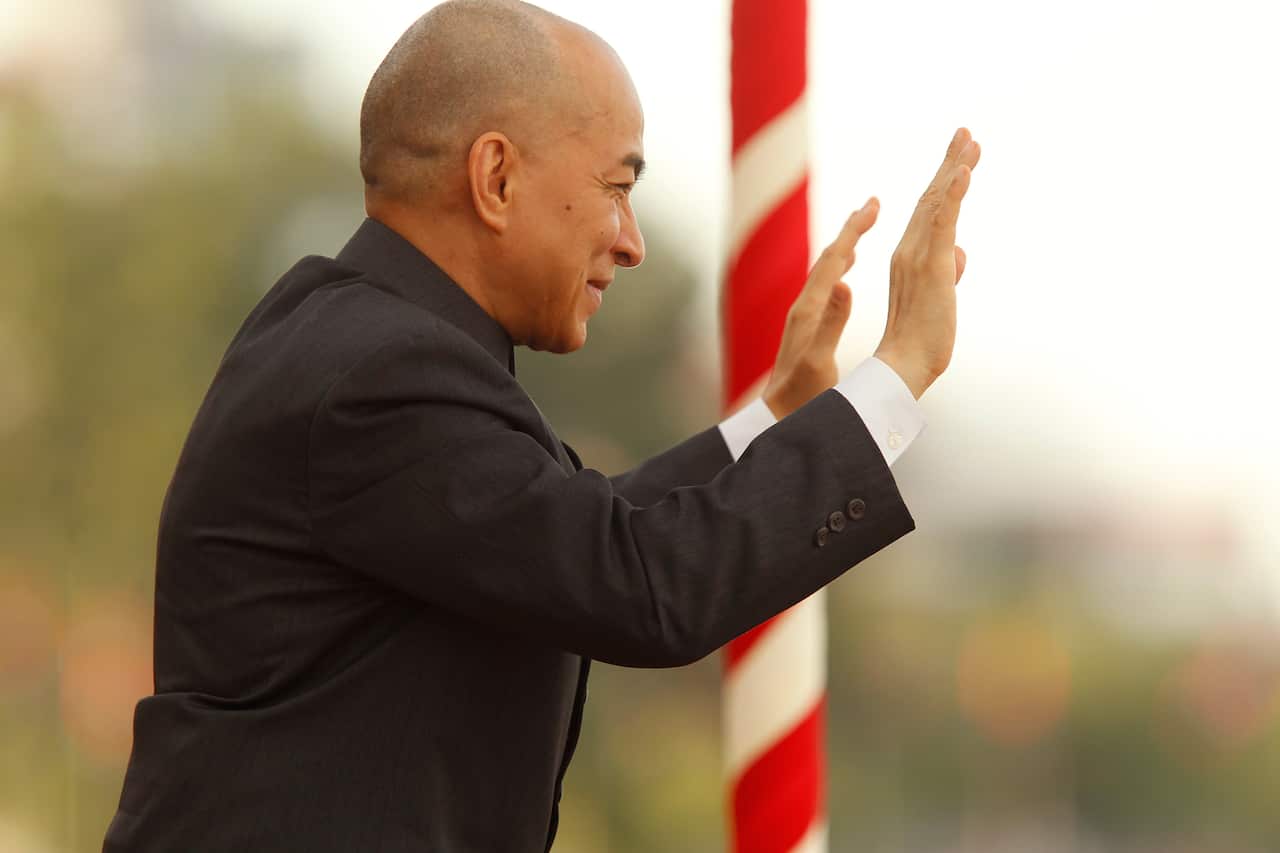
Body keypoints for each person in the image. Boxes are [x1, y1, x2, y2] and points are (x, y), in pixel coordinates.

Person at [103, 1, 981, 850]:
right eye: (616, 186)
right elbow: (636, 584)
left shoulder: (356, 338)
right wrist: (898, 372)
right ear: (496, 179)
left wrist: (776, 416)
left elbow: (573, 539)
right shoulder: (385, 375)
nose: (630, 239)